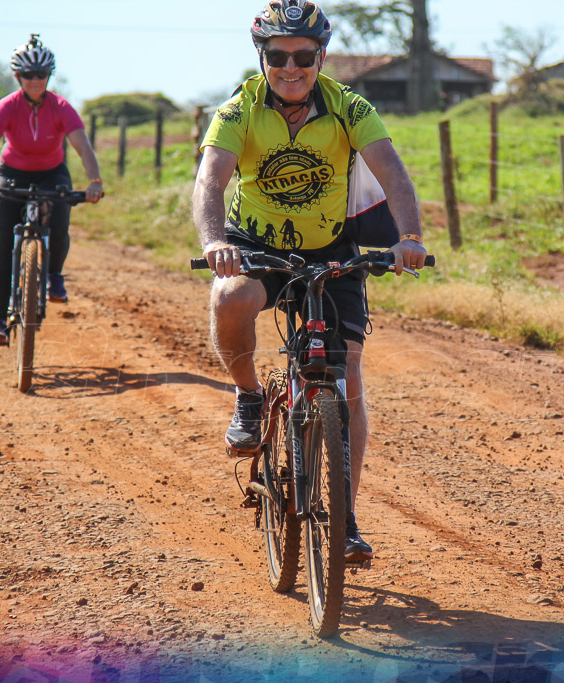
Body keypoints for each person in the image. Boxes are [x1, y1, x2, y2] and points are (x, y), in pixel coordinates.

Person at [192, 0, 427, 562]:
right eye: (277, 56)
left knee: (345, 374)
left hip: (330, 249)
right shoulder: (238, 111)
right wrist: (213, 241)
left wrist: (410, 238)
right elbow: (210, 181)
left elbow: (392, 172)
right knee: (229, 296)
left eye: (303, 55)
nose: (290, 66)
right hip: (255, 245)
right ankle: (249, 397)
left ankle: (344, 519)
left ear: (321, 56)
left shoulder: (349, 106)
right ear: (262, 56)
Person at [0, 34, 103, 345]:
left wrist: (95, 182)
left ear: (49, 76)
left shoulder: (62, 107)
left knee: (60, 223)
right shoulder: (7, 106)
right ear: (18, 77)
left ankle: (54, 275)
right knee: (1, 246)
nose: (36, 80)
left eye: (42, 75)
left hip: (52, 174)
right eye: (29, 75)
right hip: (11, 174)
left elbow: (82, 146)